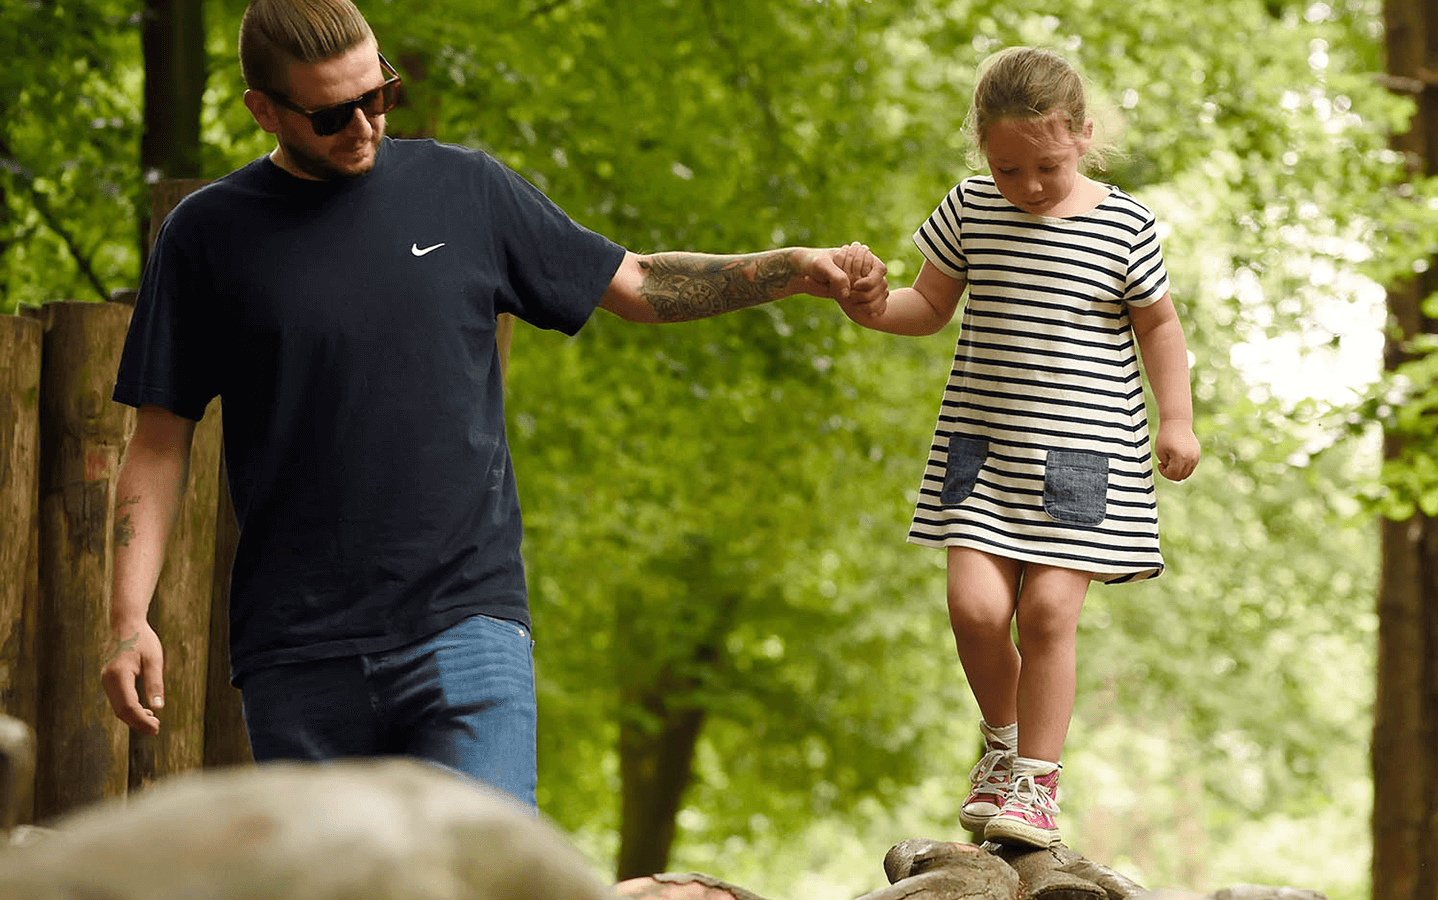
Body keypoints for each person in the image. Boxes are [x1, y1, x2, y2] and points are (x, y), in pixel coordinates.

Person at [100, 0, 881, 809]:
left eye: (379, 96)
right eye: (331, 114)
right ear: (263, 109)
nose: (365, 125)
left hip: (466, 626)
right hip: (298, 652)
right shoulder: (207, 236)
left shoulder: (466, 189)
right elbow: (159, 444)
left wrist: (792, 268)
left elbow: (639, 285)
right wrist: (129, 618)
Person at [834, 46, 1199, 847]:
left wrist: (1177, 419)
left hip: (1085, 453)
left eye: (1047, 167)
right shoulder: (969, 209)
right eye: (1008, 170)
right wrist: (868, 306)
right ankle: (1001, 747)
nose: (1027, 187)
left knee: (1044, 613)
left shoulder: (1125, 225)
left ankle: (1036, 784)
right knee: (973, 609)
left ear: (1083, 137)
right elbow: (926, 305)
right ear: (981, 153)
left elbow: (1160, 327)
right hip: (984, 448)